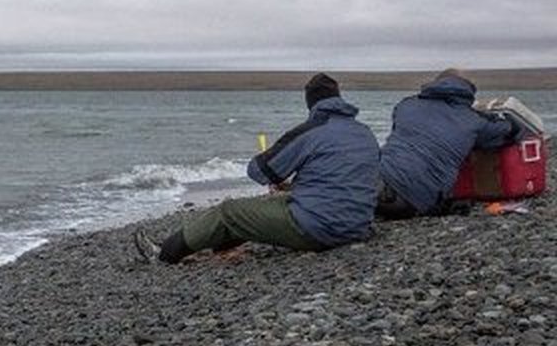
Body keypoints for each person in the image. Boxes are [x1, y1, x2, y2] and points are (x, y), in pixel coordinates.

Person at [134, 73, 380, 264]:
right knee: (261, 210)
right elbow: (342, 178)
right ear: (339, 98)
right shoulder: (364, 132)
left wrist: (272, 160)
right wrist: (292, 186)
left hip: (322, 228)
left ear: (310, 103)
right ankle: (219, 247)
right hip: (358, 225)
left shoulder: (311, 130)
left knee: (229, 212)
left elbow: (259, 171)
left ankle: (164, 253)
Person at [376, 69, 520, 219]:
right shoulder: (474, 120)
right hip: (413, 202)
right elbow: (509, 131)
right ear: (468, 90)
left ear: (434, 84)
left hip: (373, 179)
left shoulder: (406, 105)